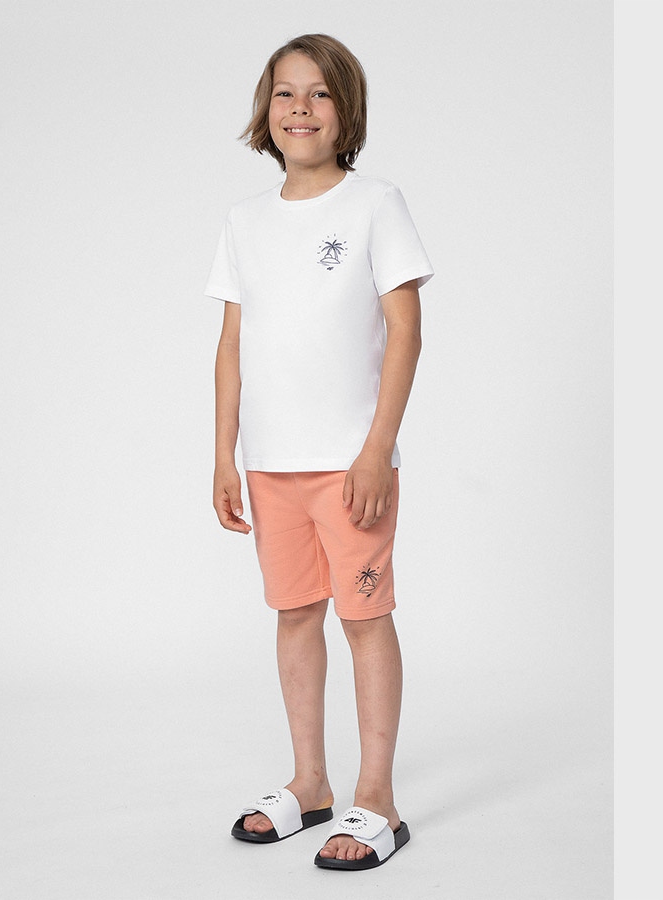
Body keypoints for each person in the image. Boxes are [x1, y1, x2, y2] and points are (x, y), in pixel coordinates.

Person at [205, 33, 434, 871]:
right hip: (271, 465)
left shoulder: (376, 203)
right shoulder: (244, 221)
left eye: (320, 93)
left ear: (347, 110)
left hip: (349, 465)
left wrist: (377, 449)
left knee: (364, 617)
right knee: (295, 613)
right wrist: (225, 456)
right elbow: (232, 344)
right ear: (266, 111)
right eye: (285, 93)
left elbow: (405, 332)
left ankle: (378, 799)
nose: (300, 108)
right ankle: (310, 784)